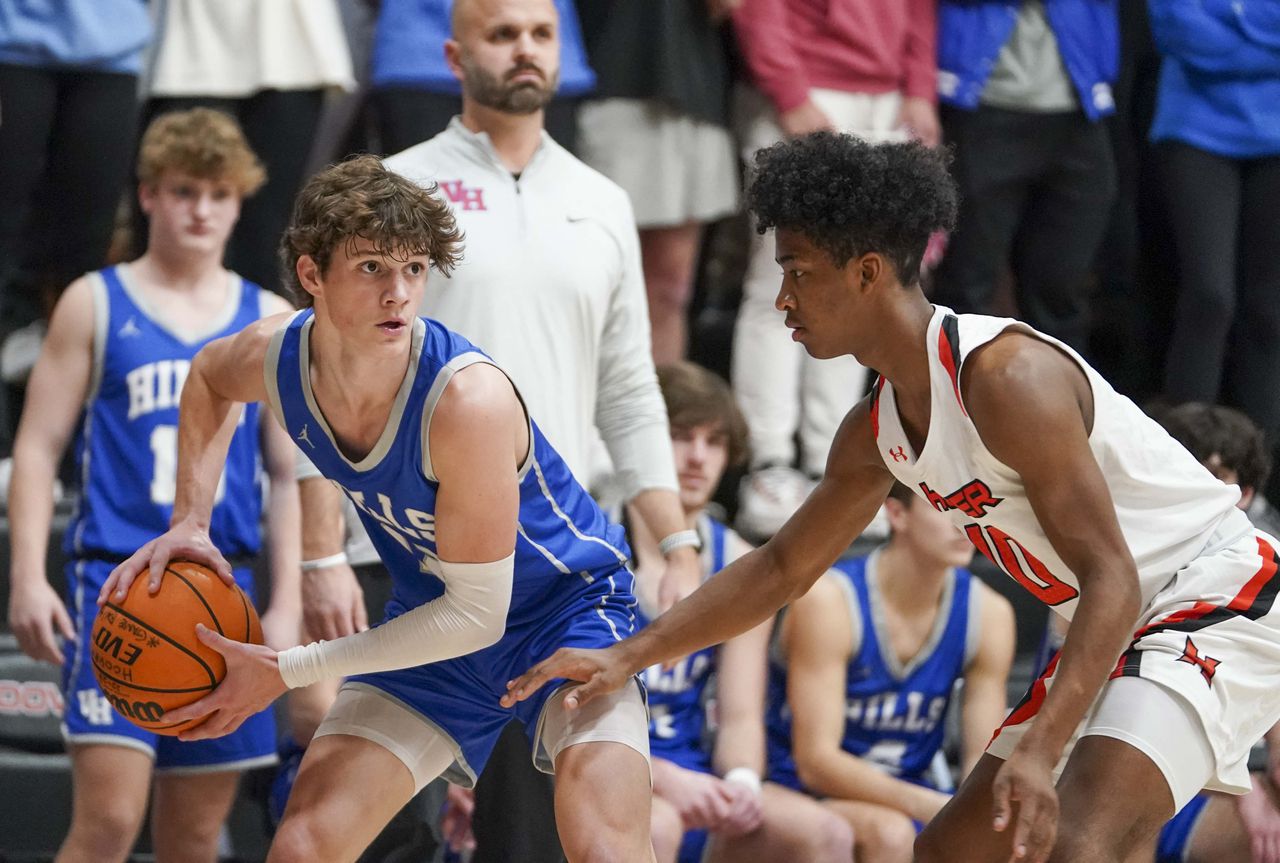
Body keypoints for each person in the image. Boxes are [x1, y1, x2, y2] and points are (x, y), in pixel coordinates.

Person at [503, 133, 1280, 863]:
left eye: (799, 270)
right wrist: (628, 654)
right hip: (1119, 616)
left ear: (867, 272)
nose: (783, 299)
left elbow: (1112, 571)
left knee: (1075, 839)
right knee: (949, 850)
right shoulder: (876, 430)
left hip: (1211, 594)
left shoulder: (1007, 377)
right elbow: (780, 569)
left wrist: (1042, 748)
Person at [99, 155, 655, 862]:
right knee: (302, 846)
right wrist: (191, 520)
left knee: (603, 847)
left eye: (415, 269)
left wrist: (288, 665)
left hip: (567, 614)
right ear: (311, 274)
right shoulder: (278, 357)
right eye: (370, 268)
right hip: (439, 617)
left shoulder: (466, 402)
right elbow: (208, 377)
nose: (399, 292)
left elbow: (478, 615)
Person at [353, 1, 704, 856]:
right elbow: (341, 372)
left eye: (541, 35)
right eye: (502, 34)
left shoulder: (602, 200)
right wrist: (323, 552)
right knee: (384, 836)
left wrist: (677, 539)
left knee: (534, 838)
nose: (524, 51)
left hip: (548, 571)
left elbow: (628, 389)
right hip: (407, 552)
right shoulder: (395, 187)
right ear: (453, 52)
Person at [5, 108, 300, 863]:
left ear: (241, 202)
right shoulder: (94, 301)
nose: (200, 209)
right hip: (116, 578)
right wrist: (27, 579)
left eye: (217, 193)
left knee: (198, 835)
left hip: (219, 584)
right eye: (182, 190)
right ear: (147, 196)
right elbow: (37, 449)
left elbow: (287, 473)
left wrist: (288, 598)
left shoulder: (267, 316)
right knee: (107, 821)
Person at [728, 0, 940, 540]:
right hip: (807, 90)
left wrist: (919, 88)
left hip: (888, 105)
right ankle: (770, 462)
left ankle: (835, 462)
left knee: (862, 292)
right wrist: (789, 92)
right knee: (781, 280)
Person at [629, 361, 852, 863]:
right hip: (597, 767)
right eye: (681, 437)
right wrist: (661, 778)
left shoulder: (738, 560)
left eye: (715, 442)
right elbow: (557, 718)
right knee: (657, 826)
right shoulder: (594, 543)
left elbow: (741, 715)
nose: (697, 458)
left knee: (825, 835)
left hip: (693, 769)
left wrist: (741, 784)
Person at [766, 481, 1015, 862]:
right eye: (946, 507)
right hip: (800, 792)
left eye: (972, 508)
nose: (964, 523)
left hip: (912, 793)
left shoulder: (991, 614)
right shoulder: (830, 601)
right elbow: (816, 762)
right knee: (891, 833)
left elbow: (980, 766)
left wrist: (976, 823)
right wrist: (936, 807)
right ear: (896, 514)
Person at [930, 0, 1119, 354]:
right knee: (966, 288)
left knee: (1062, 290)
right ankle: (952, 403)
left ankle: (1057, 404)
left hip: (1080, 111)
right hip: (982, 107)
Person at [1149, 1, 1280, 487]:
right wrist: (1262, 43)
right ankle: (1182, 470)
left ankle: (1257, 483)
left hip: (1275, 138)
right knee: (1209, 298)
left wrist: (1233, 32)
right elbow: (1180, 33)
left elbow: (1212, 41)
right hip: (1195, 132)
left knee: (1268, 313)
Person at [575, 0, 741, 364]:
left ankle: (667, 414)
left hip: (694, 90)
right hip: (608, 82)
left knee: (671, 289)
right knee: (592, 284)